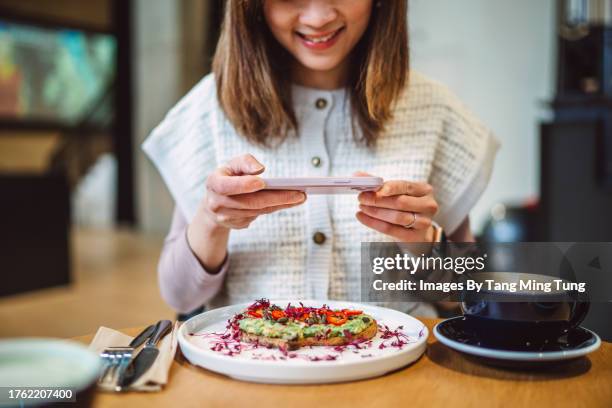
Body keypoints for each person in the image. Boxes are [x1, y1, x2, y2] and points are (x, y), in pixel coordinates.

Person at [143, 0, 499, 316]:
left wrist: (424, 244)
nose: (318, 17)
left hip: (395, 379)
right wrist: (211, 220)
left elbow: (463, 294)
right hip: (253, 376)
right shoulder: (209, 111)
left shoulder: (434, 111)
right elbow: (180, 296)